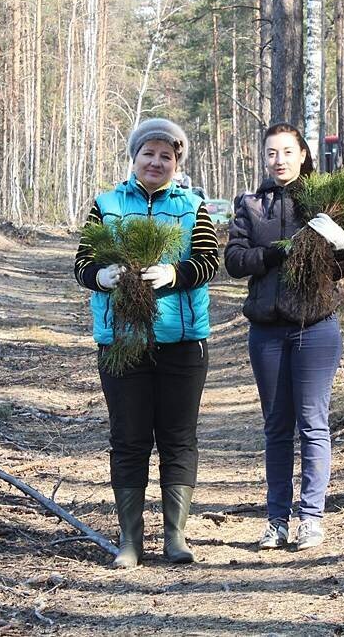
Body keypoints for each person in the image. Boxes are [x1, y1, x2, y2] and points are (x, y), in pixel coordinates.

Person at [74, 118, 219, 568]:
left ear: (177, 163)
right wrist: (100, 276)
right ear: (134, 157)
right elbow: (82, 263)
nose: (156, 162)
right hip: (122, 340)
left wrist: (176, 274)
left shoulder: (194, 206)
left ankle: (175, 536)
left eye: (166, 155)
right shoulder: (107, 204)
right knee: (129, 438)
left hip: (182, 341)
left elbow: (209, 261)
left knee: (178, 438)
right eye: (148, 153)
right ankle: (130, 541)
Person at [224, 121, 344, 551]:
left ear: (303, 155)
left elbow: (343, 267)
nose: (278, 160)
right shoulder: (250, 204)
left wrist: (340, 244)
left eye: (286, 152)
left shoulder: (322, 202)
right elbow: (235, 260)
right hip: (267, 331)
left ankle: (311, 519)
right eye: (271, 153)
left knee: (313, 424)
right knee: (277, 427)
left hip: (315, 327)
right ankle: (276, 519)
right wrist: (271, 255)